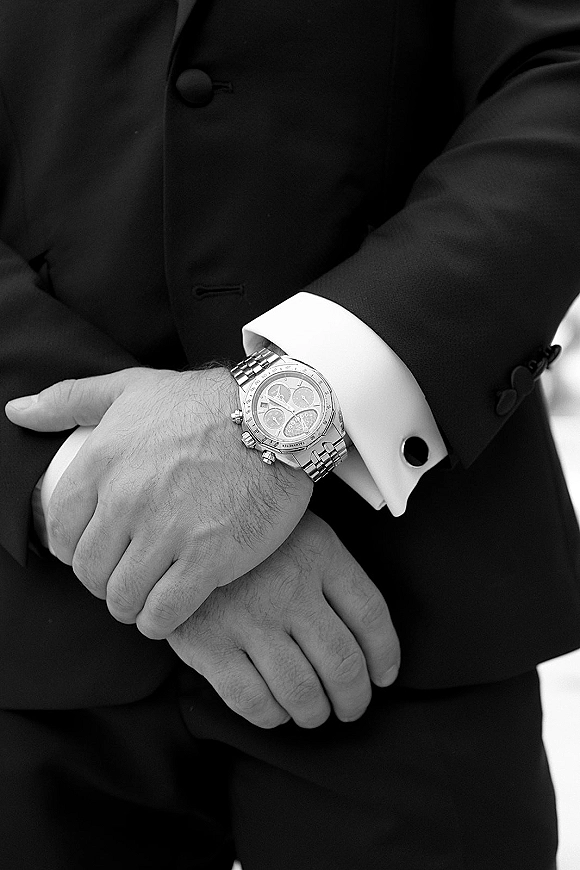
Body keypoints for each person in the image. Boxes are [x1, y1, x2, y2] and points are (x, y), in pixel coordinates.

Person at [1, 1, 579, 867]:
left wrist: (291, 406)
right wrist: (84, 479)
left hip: (408, 605)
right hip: (28, 626)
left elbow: (561, 66)